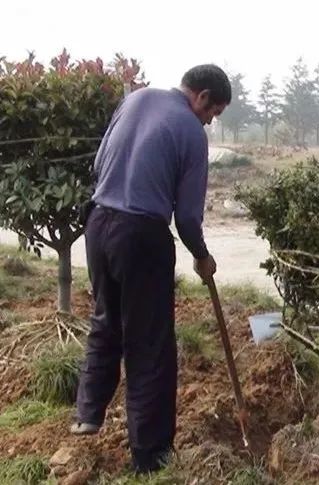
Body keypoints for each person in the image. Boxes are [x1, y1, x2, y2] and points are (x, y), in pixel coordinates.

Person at [70, 65, 231, 473]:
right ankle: (150, 456)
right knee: (150, 346)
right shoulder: (192, 133)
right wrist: (201, 255)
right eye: (214, 112)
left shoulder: (135, 99)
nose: (211, 121)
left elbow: (99, 165)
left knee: (107, 319)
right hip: (142, 235)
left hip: (99, 224)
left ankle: (87, 414)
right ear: (203, 96)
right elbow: (189, 217)